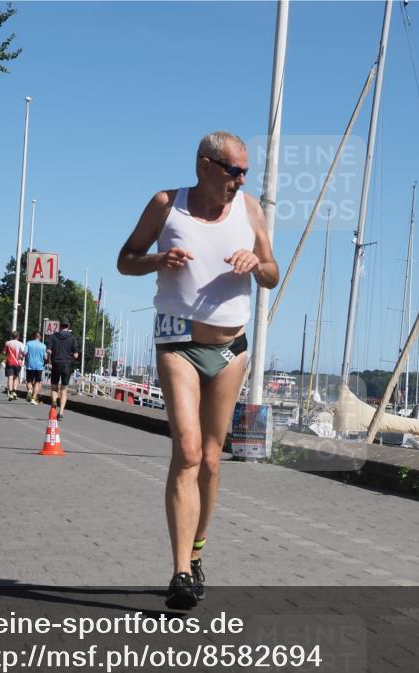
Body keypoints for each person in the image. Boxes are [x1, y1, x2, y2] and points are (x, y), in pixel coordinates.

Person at [117, 131, 278, 609]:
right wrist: (157, 260)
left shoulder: (249, 210)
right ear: (205, 166)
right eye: (234, 170)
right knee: (186, 452)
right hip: (178, 342)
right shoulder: (167, 204)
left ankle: (199, 548)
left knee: (211, 459)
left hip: (231, 349)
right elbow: (125, 261)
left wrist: (256, 263)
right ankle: (181, 572)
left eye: (245, 171)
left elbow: (272, 271)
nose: (241, 179)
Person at [46, 320, 79, 420]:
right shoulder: (72, 338)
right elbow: (76, 355)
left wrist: (51, 357)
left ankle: (54, 402)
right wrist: (70, 360)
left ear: (60, 326)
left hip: (56, 363)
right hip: (67, 365)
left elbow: (48, 350)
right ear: (68, 327)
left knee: (54, 387)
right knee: (64, 390)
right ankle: (60, 413)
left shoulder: (53, 336)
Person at [24, 330, 46, 404]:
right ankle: (34, 398)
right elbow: (45, 357)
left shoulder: (28, 343)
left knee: (29, 381)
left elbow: (24, 353)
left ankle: (30, 390)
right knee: (37, 382)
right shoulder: (43, 345)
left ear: (34, 336)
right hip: (39, 367)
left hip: (30, 366)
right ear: (40, 337)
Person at [3, 331, 26, 401]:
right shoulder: (21, 344)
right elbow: (24, 353)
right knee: (15, 377)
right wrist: (22, 357)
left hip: (9, 362)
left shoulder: (7, 343)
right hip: (18, 363)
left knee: (10, 377)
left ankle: (10, 392)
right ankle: (14, 392)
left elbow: (4, 352)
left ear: (11, 336)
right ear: (18, 337)